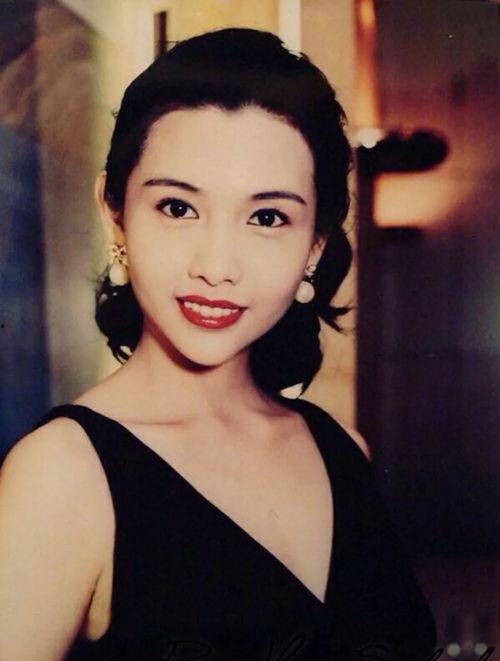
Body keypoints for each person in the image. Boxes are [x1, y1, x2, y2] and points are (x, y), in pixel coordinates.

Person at [0, 28, 436, 660]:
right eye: (178, 208)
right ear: (114, 213)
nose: (216, 266)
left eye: (267, 217)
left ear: (314, 247)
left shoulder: (345, 452)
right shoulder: (62, 476)